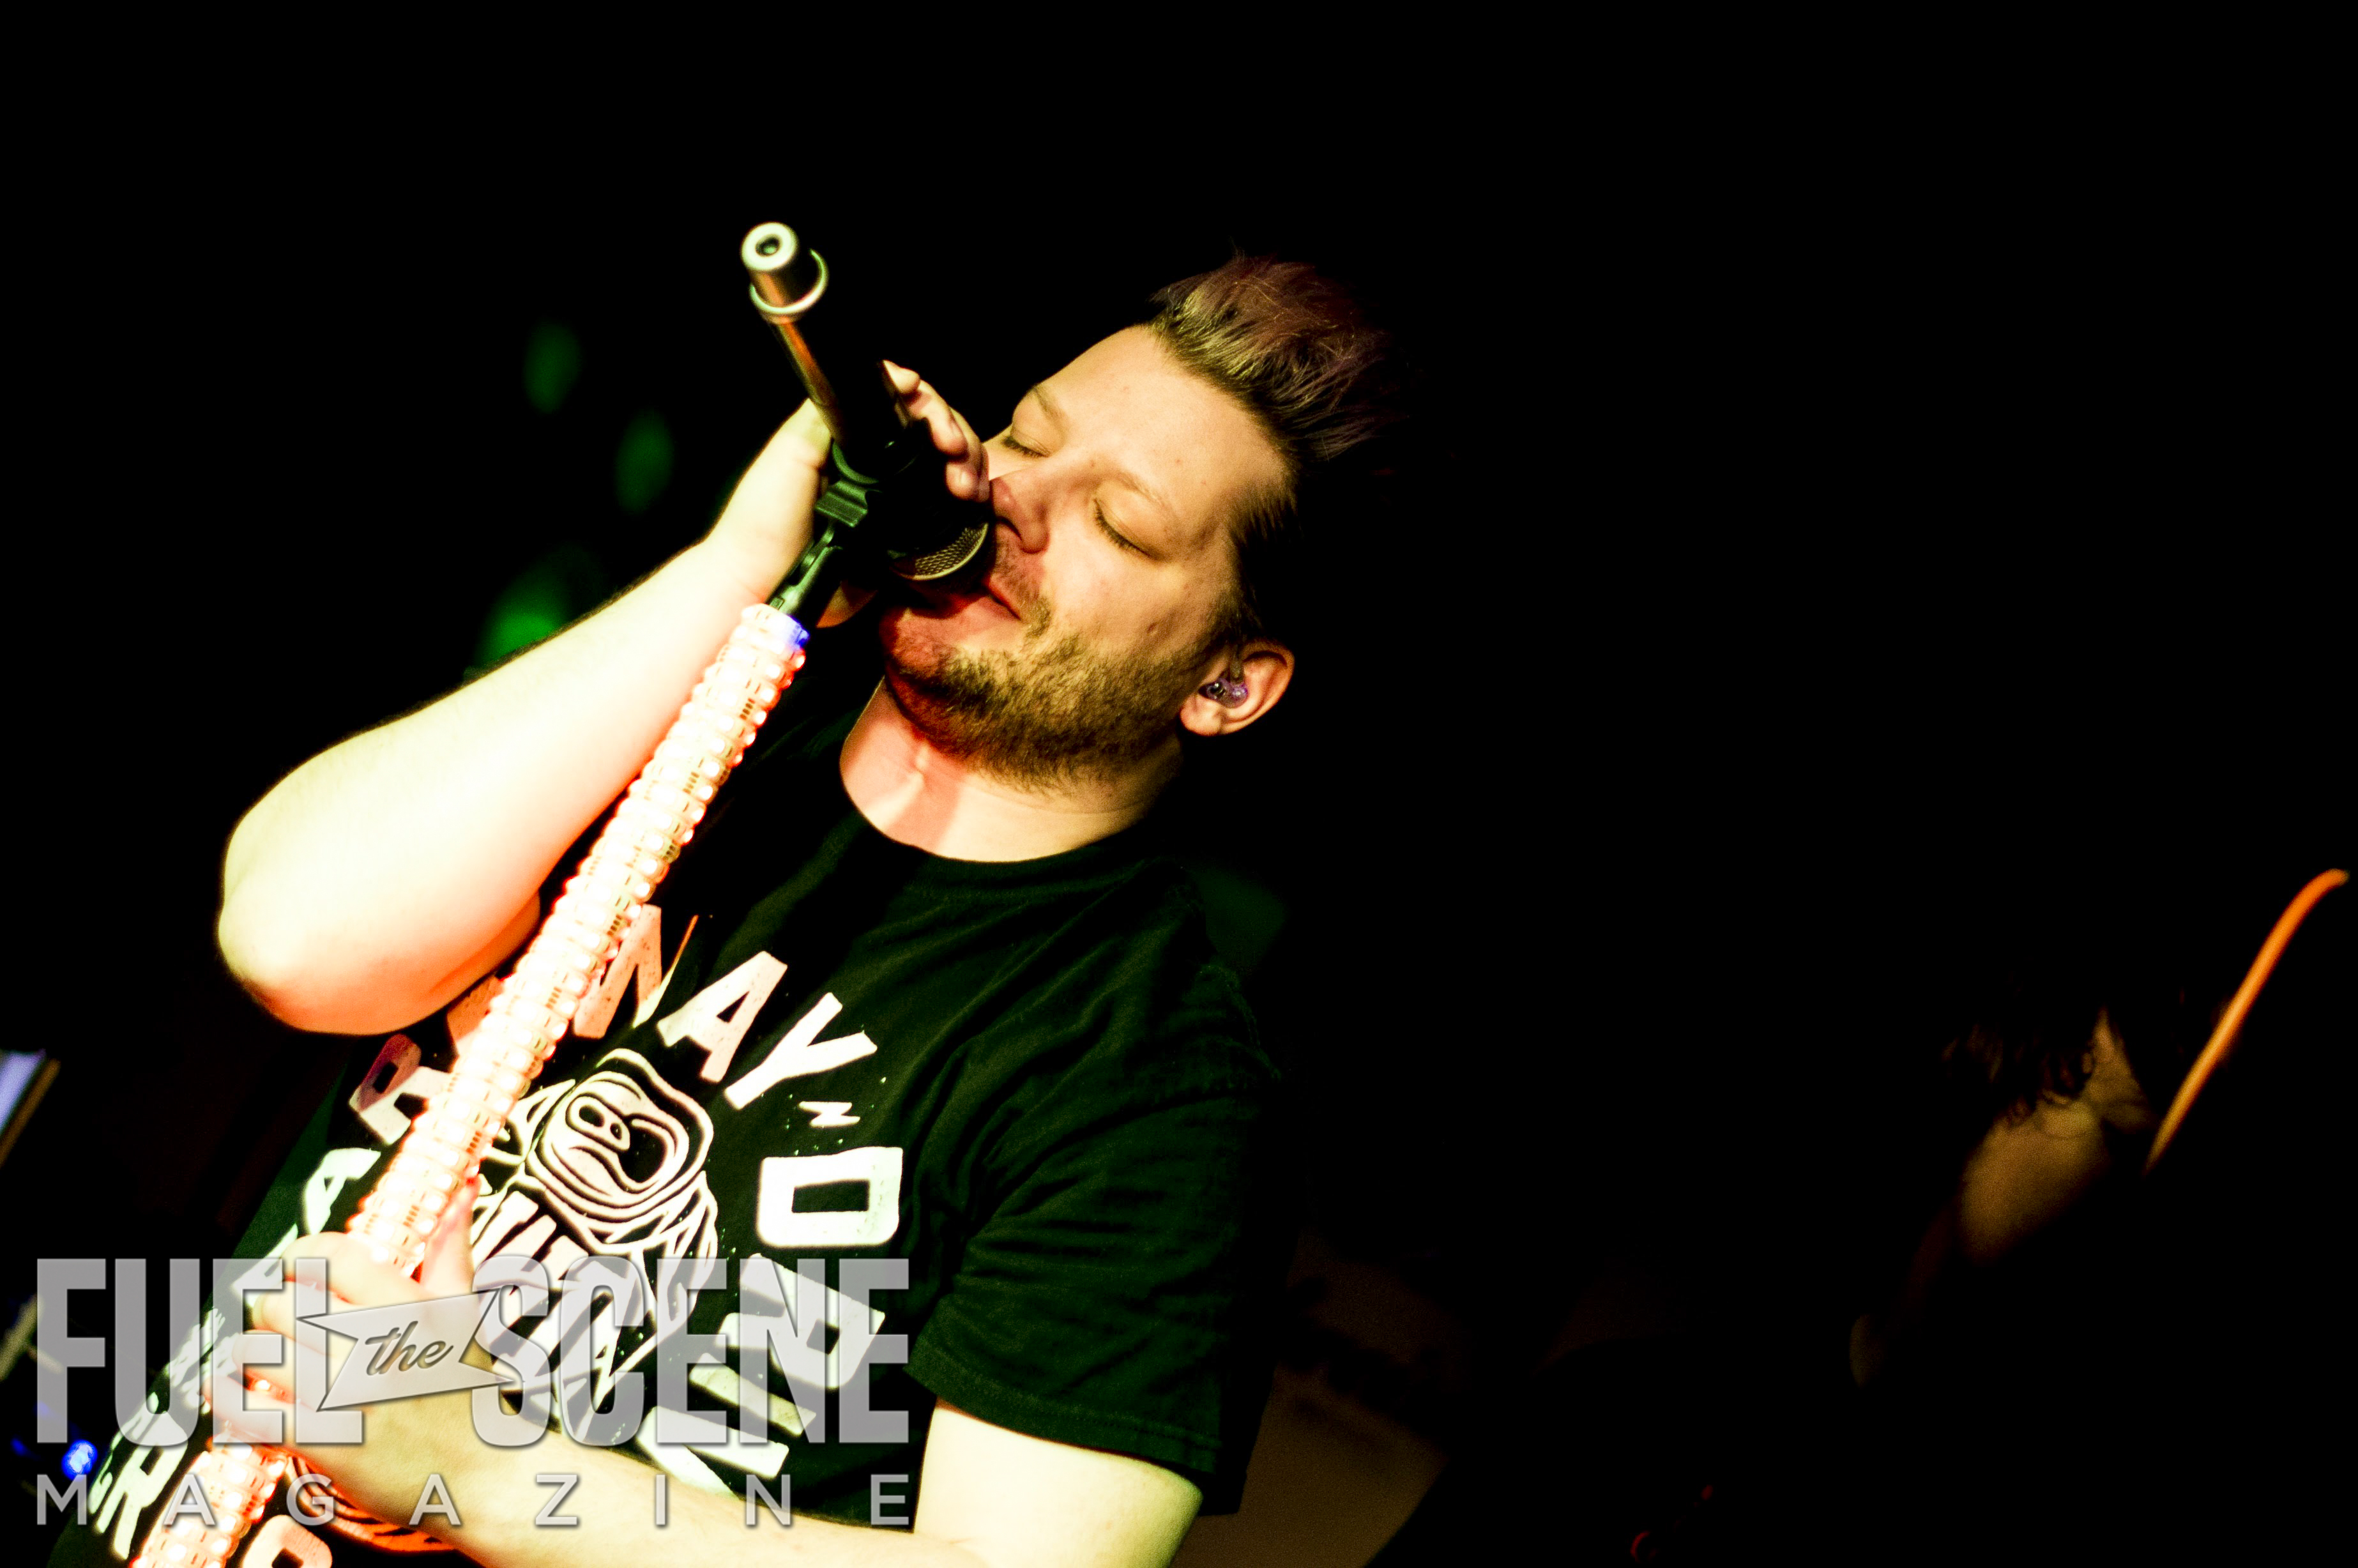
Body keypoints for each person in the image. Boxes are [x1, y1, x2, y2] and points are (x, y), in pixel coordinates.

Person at [58, 253, 1405, 1568]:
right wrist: (750, 560)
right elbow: (294, 941)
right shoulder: (677, 720)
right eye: (1025, 437)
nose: (1016, 499)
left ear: (1227, 683)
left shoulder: (1157, 1087)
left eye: (1118, 523)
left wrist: (491, 1473)